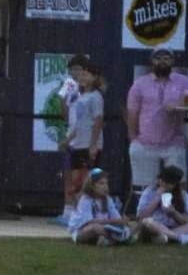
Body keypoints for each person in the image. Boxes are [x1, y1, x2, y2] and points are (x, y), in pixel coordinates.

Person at [126, 47, 188, 192]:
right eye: (158, 58)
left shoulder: (182, 81)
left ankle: (178, 211)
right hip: (145, 142)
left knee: (179, 184)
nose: (162, 61)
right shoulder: (140, 84)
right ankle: (147, 212)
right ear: (151, 61)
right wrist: (133, 138)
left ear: (172, 61)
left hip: (173, 142)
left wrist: (179, 104)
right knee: (147, 188)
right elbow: (132, 112)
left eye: (166, 58)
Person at [57, 58, 106, 224]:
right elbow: (78, 123)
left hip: (89, 145)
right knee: (77, 181)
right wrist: (68, 139)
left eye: (87, 74)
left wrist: (93, 145)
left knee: (86, 182)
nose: (83, 77)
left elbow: (98, 121)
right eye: (82, 74)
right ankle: (80, 216)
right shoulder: (80, 97)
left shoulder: (96, 96)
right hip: (77, 144)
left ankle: (90, 216)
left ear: (95, 77)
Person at [135, 165, 188, 245]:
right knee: (148, 222)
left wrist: (174, 213)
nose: (165, 185)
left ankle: (166, 237)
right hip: (154, 227)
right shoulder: (149, 192)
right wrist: (157, 197)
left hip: (175, 228)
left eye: (169, 183)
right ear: (159, 180)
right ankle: (180, 238)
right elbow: (141, 217)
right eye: (163, 181)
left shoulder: (182, 195)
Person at [67, 169, 133, 246]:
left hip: (104, 228)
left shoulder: (107, 199)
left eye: (106, 183)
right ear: (92, 185)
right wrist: (112, 221)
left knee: (131, 225)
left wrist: (122, 221)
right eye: (101, 183)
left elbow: (116, 217)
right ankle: (118, 239)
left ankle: (109, 240)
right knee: (95, 228)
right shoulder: (86, 200)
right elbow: (89, 222)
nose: (105, 186)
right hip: (82, 230)